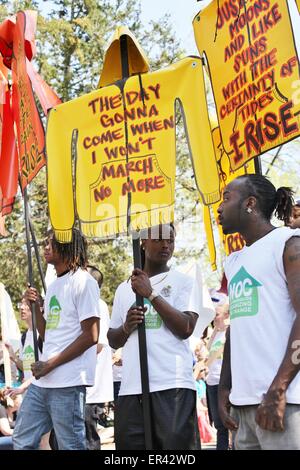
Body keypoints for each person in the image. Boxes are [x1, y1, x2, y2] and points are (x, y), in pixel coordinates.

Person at [217, 174, 300, 450]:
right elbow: (237, 328)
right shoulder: (234, 261)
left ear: (250, 203)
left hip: (283, 403)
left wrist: (278, 389)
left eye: (227, 198)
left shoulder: (288, 243)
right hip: (244, 407)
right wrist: (224, 387)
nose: (219, 207)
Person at [108, 223, 201, 450]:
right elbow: (112, 339)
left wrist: (150, 294)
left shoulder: (185, 282)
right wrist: (127, 327)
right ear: (143, 242)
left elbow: (186, 327)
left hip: (172, 386)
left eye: (170, 240)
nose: (165, 245)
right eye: (159, 239)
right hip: (132, 388)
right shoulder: (123, 288)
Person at [12, 228, 100, 450]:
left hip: (68, 383)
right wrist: (36, 309)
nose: (46, 248)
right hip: (44, 381)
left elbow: (91, 335)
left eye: (52, 243)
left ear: (68, 245)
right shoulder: (53, 286)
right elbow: (48, 333)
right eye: (46, 243)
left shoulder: (84, 281)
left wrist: (50, 364)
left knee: (70, 445)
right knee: (22, 440)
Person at [85, 265, 113, 450]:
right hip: (79, 386)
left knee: (87, 439)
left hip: (90, 388)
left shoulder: (98, 304)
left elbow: (98, 345)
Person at [206, 302, 229, 450]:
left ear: (227, 315)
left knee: (228, 422)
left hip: (224, 383)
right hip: (212, 382)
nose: (214, 318)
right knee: (219, 423)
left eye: (217, 314)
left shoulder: (231, 331)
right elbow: (208, 350)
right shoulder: (217, 332)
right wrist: (215, 331)